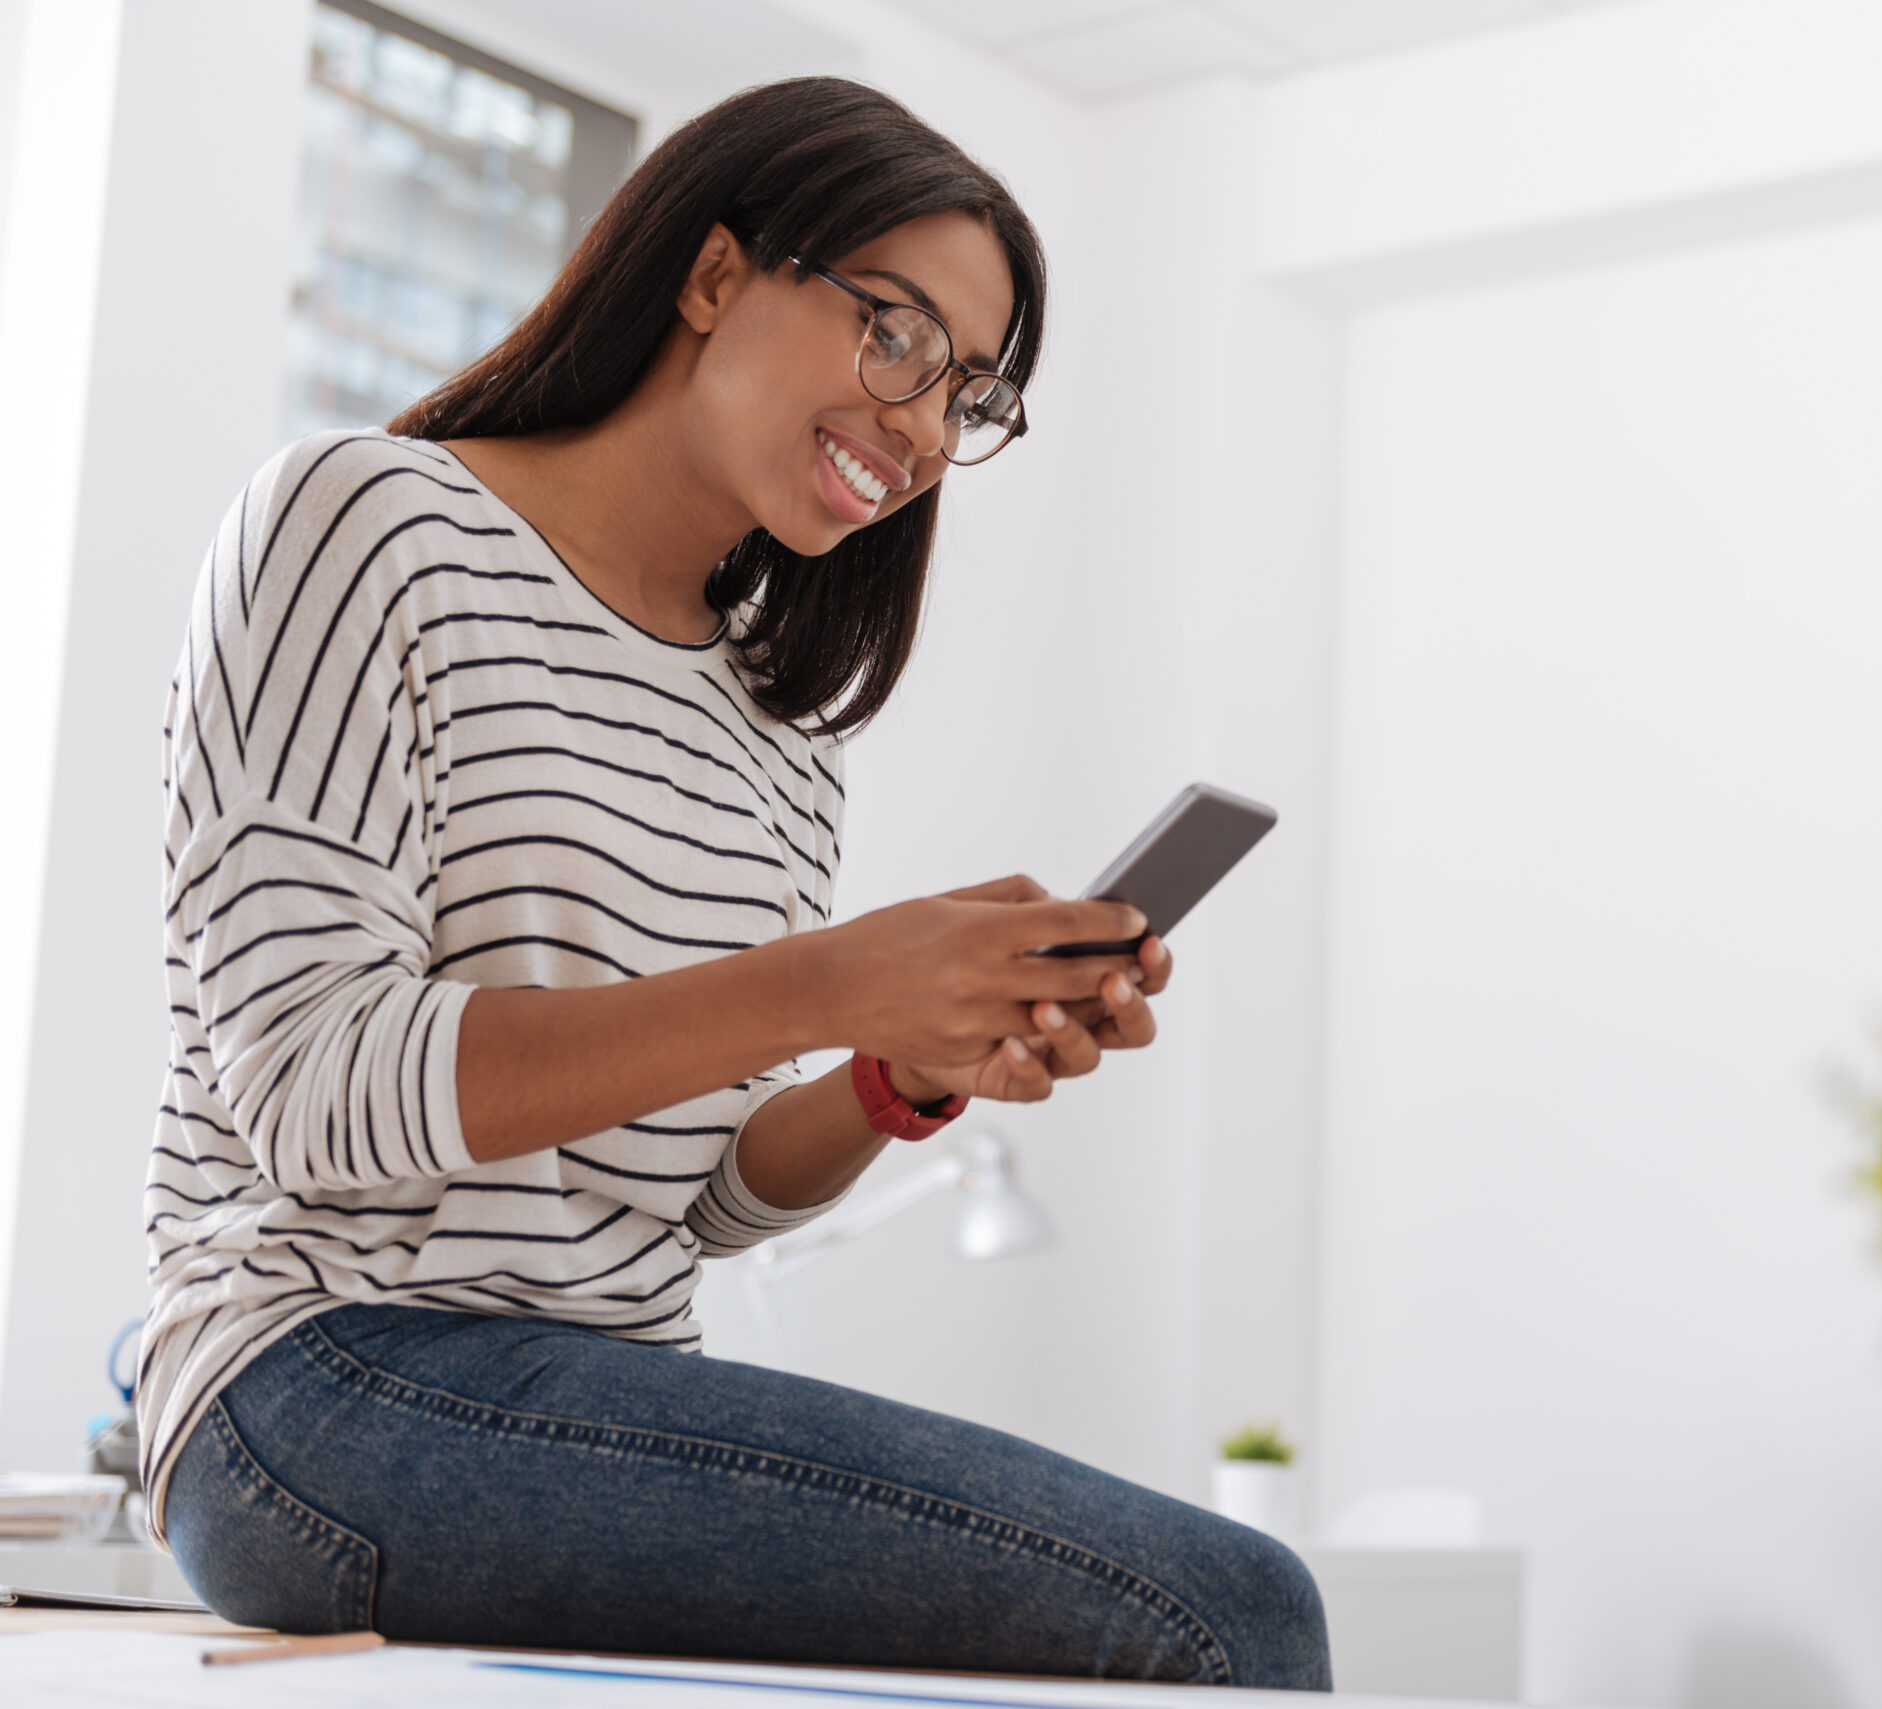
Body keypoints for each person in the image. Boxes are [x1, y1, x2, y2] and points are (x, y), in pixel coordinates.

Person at [141, 76, 1329, 1688]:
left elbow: (691, 1198)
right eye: (897, 335)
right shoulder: (365, 523)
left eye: (968, 392)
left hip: (597, 1383)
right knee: (1230, 1608)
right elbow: (310, 1087)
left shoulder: (778, 728)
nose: (922, 426)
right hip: (317, 1379)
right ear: (714, 274)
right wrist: (833, 977)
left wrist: (899, 1073)